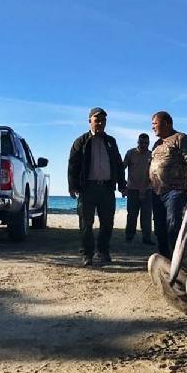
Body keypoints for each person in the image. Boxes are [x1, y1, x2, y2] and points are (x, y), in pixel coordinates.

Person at [68, 107, 127, 267]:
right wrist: (72, 185)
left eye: (103, 120)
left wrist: (122, 184)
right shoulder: (81, 141)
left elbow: (118, 164)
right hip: (87, 188)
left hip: (107, 189)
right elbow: (73, 164)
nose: (100, 123)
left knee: (107, 222)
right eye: (97, 120)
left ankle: (103, 252)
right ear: (90, 121)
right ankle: (87, 254)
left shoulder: (111, 141)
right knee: (86, 223)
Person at [149, 111, 187, 259]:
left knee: (173, 226)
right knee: (159, 229)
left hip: (175, 191)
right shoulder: (157, 144)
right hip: (157, 192)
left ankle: (178, 259)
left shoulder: (181, 138)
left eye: (155, 124)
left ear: (166, 123)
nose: (153, 128)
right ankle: (165, 260)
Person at [123, 133, 154, 245]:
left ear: (148, 143)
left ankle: (147, 238)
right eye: (141, 142)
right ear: (137, 142)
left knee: (146, 215)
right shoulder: (131, 153)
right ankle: (129, 236)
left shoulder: (152, 155)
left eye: (146, 143)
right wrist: (123, 186)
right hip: (132, 190)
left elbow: (154, 173)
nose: (143, 145)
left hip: (148, 190)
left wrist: (146, 186)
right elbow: (122, 168)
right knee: (131, 214)